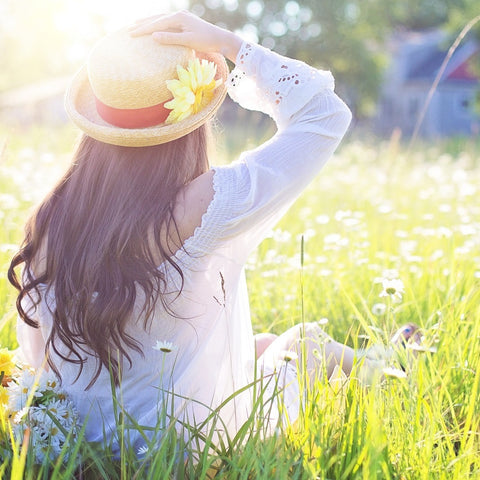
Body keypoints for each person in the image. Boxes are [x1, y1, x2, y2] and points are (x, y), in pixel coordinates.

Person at [8, 11, 416, 457]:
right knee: (304, 341)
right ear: (190, 120)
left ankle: (384, 361)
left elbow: (38, 359)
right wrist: (231, 45)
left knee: (258, 345)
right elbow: (324, 115)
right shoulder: (202, 204)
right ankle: (390, 367)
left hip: (80, 441)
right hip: (185, 446)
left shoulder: (51, 216)